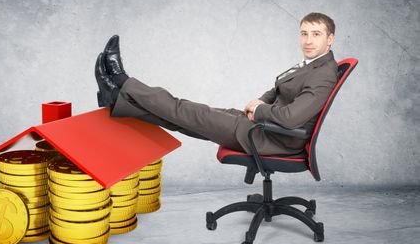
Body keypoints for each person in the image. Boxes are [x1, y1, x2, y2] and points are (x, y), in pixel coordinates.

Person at [94, 12, 338, 156]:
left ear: (330, 39)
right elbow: (278, 90)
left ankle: (121, 81)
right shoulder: (311, 64)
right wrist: (261, 102)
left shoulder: (324, 74)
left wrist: (258, 109)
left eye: (316, 34)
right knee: (180, 117)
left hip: (271, 138)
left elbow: (290, 118)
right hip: (260, 127)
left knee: (184, 110)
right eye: (304, 33)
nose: (307, 40)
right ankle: (115, 101)